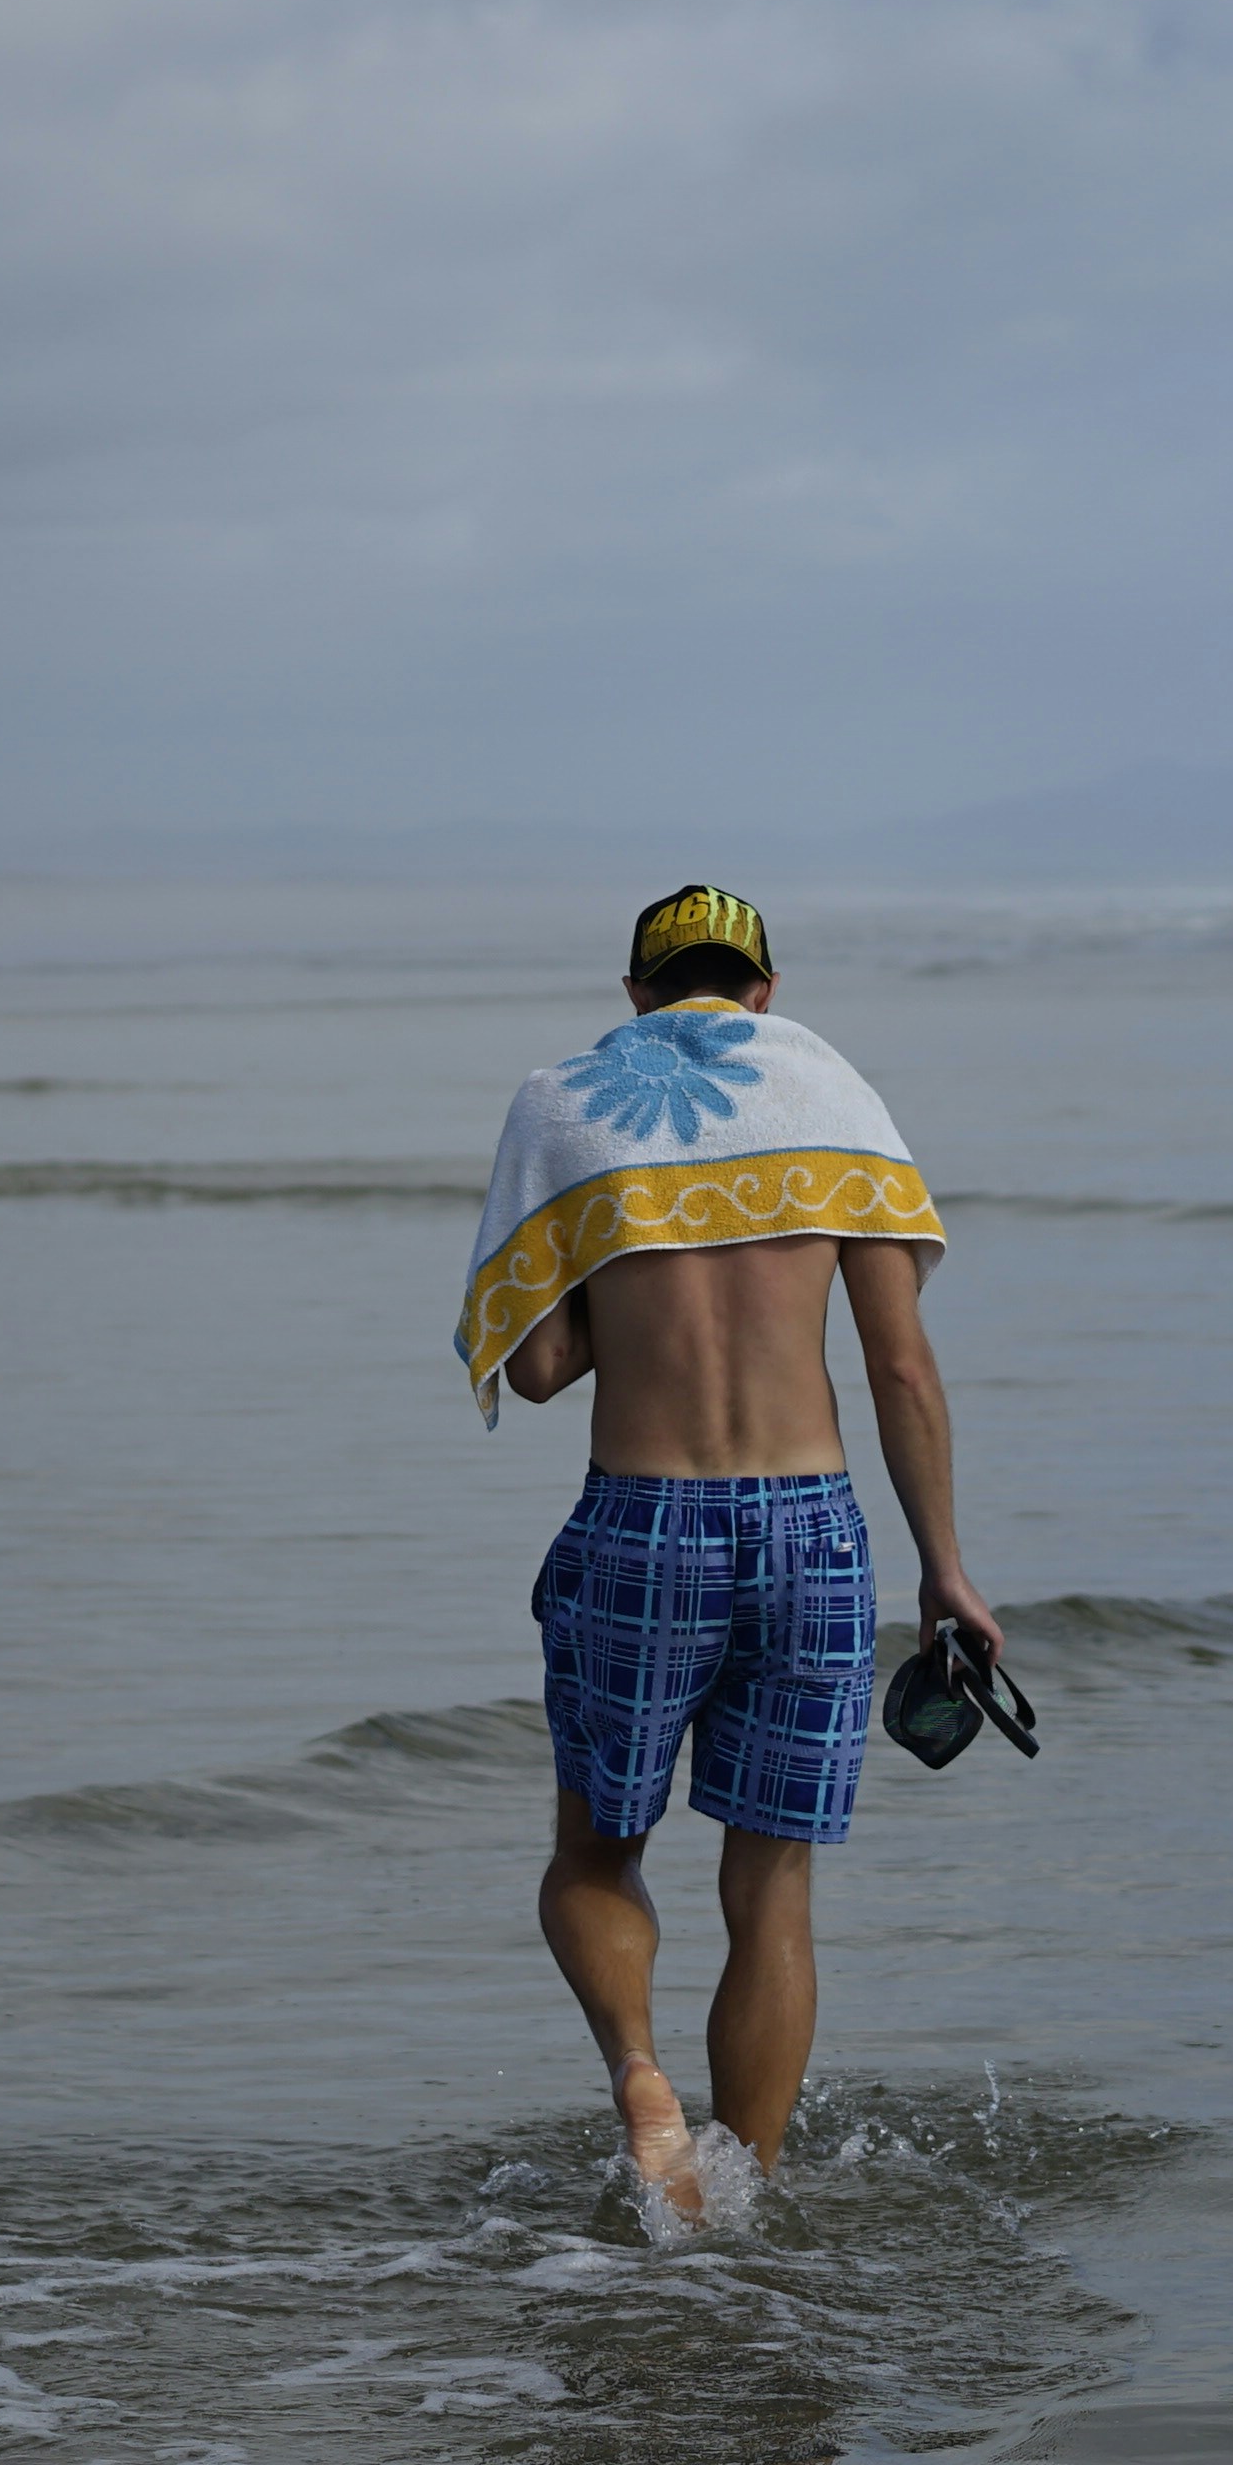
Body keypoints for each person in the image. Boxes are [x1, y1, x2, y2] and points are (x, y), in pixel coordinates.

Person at [456, 884, 1005, 2221]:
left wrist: (623, 1276)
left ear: (639, 995)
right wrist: (944, 1565)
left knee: (597, 1852)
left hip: (644, 1519)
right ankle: (742, 2197)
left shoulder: (567, 1103)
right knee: (771, 1887)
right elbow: (900, 1363)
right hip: (812, 1530)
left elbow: (536, 1369)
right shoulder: (827, 1092)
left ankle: (643, 2083)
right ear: (760, 992)